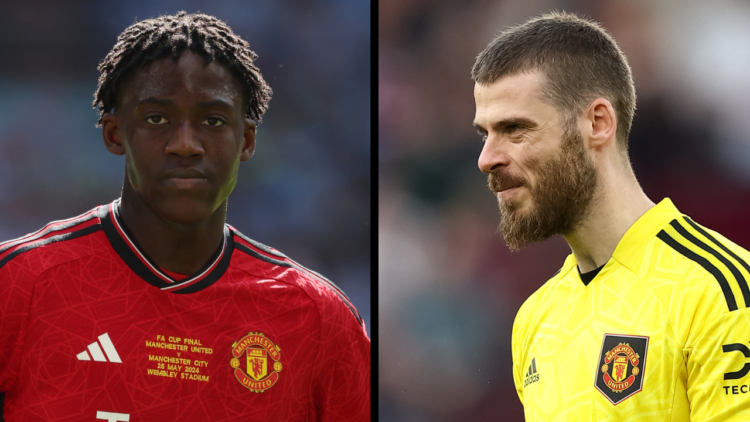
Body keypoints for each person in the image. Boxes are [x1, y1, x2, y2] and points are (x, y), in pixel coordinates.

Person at [0, 11, 369, 422]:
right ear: (114, 133)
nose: (186, 145)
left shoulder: (318, 318)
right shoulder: (18, 285)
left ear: (245, 141)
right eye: (157, 118)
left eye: (213, 121)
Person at [472, 11, 749, 421]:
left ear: (598, 123)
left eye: (515, 129)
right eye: (485, 134)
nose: (487, 159)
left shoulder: (717, 292)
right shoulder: (535, 318)